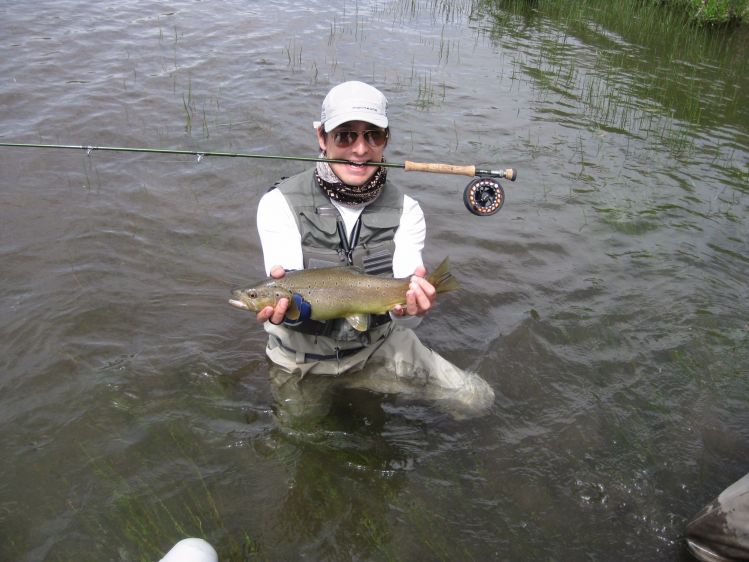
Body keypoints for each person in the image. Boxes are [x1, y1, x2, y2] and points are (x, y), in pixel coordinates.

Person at [254, 81, 494, 423]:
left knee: (476, 398)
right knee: (302, 436)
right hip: (300, 358)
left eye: (373, 136)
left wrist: (413, 305)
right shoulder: (278, 204)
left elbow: (403, 306)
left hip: (376, 348)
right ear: (322, 138)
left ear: (386, 140)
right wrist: (287, 311)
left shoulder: (408, 209)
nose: (360, 149)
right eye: (345, 136)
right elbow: (287, 292)